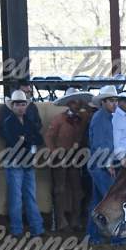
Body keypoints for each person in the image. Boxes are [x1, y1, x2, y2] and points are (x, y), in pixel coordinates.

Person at [45, 88, 92, 231]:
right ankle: (61, 222)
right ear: (68, 103)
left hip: (75, 156)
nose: (76, 104)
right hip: (60, 155)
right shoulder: (59, 118)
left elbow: (91, 111)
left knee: (77, 189)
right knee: (60, 189)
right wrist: (54, 151)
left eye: (78, 102)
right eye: (74, 102)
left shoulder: (83, 116)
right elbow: (49, 137)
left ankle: (75, 220)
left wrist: (84, 104)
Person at [1, 89, 45, 237]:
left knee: (25, 196)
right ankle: (24, 229)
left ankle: (28, 229)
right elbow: (16, 142)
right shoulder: (9, 122)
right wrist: (28, 139)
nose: (21, 107)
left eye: (23, 104)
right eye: (18, 104)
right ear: (13, 106)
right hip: (17, 162)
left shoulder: (24, 121)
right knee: (19, 197)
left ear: (26, 105)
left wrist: (24, 138)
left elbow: (38, 139)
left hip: (23, 162)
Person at [86, 85, 126, 245]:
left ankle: (92, 235)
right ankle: (117, 237)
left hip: (98, 164)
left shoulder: (103, 117)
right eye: (111, 101)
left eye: (115, 100)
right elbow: (100, 144)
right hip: (101, 165)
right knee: (112, 201)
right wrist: (108, 163)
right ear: (103, 102)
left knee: (98, 202)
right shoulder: (102, 118)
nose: (114, 103)